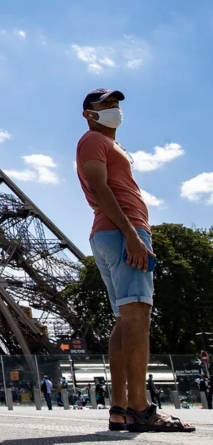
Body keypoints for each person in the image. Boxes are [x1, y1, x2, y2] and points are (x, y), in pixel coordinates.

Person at [76, 88, 194, 433]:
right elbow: (99, 187)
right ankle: (141, 409)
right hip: (121, 232)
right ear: (88, 113)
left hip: (111, 233)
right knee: (138, 318)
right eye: (105, 104)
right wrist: (131, 234)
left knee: (124, 321)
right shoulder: (93, 140)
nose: (114, 108)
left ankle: (121, 409)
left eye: (116, 103)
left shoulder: (108, 145)